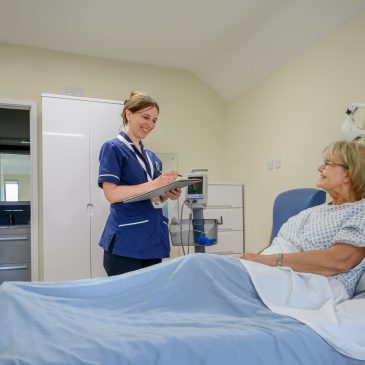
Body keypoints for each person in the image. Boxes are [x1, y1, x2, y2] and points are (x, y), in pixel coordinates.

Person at [241, 140, 365, 298]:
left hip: (312, 284)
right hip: (277, 271)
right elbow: (277, 244)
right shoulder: (315, 211)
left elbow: (339, 261)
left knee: (205, 268)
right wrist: (253, 259)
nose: (320, 168)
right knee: (209, 268)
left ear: (348, 174)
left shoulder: (359, 212)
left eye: (327, 163)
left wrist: (266, 261)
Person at [98, 90, 181, 276]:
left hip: (153, 240)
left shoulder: (153, 158)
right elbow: (111, 194)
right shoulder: (113, 148)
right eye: (146, 117)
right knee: (126, 300)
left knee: (149, 299)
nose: (151, 124)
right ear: (128, 114)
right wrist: (154, 184)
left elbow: (153, 197)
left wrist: (166, 193)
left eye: (155, 120)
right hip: (126, 243)